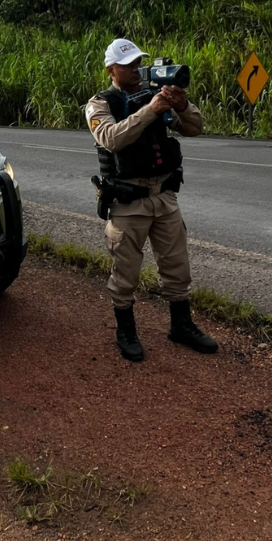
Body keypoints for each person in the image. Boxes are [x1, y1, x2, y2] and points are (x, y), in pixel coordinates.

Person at [84, 38, 218, 361]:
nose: (134, 69)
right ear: (111, 69)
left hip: (164, 194)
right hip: (129, 201)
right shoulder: (100, 104)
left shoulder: (156, 93)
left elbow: (196, 129)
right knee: (126, 270)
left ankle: (181, 325)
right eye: (127, 64)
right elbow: (112, 138)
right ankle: (126, 330)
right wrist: (151, 110)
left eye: (137, 63)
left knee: (177, 266)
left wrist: (181, 105)